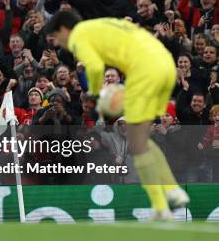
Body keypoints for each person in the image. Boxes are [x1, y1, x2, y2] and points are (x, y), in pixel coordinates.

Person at [46, 11, 189, 220]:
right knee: (140, 142)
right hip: (164, 65)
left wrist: (94, 95)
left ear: (65, 30)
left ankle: (164, 200)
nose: (61, 44)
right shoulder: (102, 23)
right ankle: (170, 196)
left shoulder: (79, 35)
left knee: (137, 142)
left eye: (57, 38)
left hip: (146, 71)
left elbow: (94, 67)